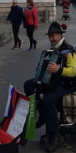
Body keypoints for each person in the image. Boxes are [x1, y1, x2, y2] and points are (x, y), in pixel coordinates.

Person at [23, 22, 76, 152]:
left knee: (49, 99)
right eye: (49, 36)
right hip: (55, 81)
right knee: (28, 85)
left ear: (60, 35)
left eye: (53, 36)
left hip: (67, 84)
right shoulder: (54, 49)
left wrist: (59, 69)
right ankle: (43, 114)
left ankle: (54, 134)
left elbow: (73, 71)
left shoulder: (68, 50)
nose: (51, 38)